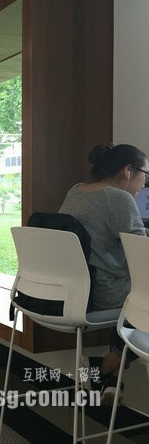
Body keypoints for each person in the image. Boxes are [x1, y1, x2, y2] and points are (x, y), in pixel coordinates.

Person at [59, 143, 148, 403]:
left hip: (74, 291)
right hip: (104, 293)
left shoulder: (76, 191)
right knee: (140, 298)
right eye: (145, 175)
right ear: (128, 171)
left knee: (132, 296)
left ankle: (110, 379)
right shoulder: (119, 198)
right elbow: (141, 253)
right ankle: (106, 365)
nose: (145, 183)